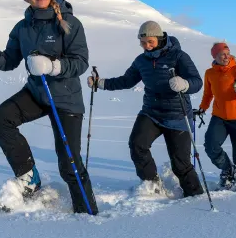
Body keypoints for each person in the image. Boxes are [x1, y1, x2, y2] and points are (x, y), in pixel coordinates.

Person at [0, 0, 98, 215]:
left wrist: (53, 66)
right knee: (0, 120)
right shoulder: (22, 28)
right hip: (37, 94)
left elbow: (80, 61)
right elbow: (9, 60)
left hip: (66, 99)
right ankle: (29, 180)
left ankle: (87, 213)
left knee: (69, 163)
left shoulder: (70, 23)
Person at [87, 21, 204, 198]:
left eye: (150, 41)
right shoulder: (141, 61)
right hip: (151, 112)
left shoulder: (179, 56)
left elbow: (197, 81)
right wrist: (100, 83)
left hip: (177, 115)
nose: (147, 46)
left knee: (181, 164)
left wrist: (185, 84)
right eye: (143, 42)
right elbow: (126, 81)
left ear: (159, 38)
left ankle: (195, 196)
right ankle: (152, 184)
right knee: (137, 145)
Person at [197, 42, 236, 191]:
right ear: (215, 56)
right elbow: (208, 94)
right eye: (222, 54)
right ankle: (228, 169)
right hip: (219, 118)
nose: (226, 56)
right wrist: (202, 108)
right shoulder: (209, 73)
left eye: (228, 53)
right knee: (211, 146)